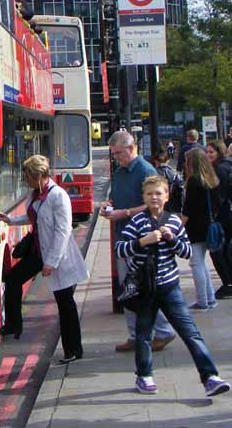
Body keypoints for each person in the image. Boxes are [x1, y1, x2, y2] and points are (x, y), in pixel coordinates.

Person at [116, 175, 230, 397]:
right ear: (144, 198)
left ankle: (210, 377)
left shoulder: (174, 221)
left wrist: (172, 240)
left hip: (170, 287)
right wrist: (143, 241)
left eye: (158, 193)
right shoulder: (137, 222)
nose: (154, 198)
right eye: (149, 194)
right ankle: (144, 375)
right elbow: (120, 249)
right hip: (146, 289)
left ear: (167, 196)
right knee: (144, 335)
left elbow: (187, 252)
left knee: (191, 333)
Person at [0, 155, 89, 363]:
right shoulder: (36, 194)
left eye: (26, 176)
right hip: (39, 252)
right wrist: (10, 220)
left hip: (58, 256)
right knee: (13, 279)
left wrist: (52, 262)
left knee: (65, 302)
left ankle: (73, 350)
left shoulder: (58, 196)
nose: (24, 180)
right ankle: (14, 324)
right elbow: (32, 217)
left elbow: (62, 231)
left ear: (37, 175)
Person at [101, 130, 176, 352]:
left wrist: (124, 213)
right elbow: (118, 196)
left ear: (132, 148)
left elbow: (154, 204)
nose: (116, 157)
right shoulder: (120, 171)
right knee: (130, 289)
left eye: (119, 153)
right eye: (113, 154)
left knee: (143, 287)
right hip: (125, 238)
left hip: (142, 238)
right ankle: (136, 335)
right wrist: (109, 205)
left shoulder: (145, 170)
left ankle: (162, 331)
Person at [182, 148, 220, 310]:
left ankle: (203, 300)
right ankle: (209, 298)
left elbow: (188, 209)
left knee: (196, 263)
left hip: (195, 228)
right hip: (209, 225)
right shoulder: (212, 179)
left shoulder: (193, 181)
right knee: (202, 263)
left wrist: (178, 225)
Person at [207, 140, 232, 298]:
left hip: (223, 216)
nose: (208, 155)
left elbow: (219, 196)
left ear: (219, 152)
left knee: (217, 250)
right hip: (226, 214)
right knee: (223, 250)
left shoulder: (220, 170)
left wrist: (212, 214)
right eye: (207, 152)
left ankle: (227, 283)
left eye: (211, 152)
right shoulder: (225, 167)